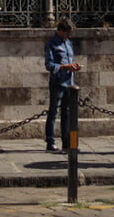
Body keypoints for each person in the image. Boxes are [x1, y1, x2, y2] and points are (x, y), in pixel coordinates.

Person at [44, 18, 80, 152]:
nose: (69, 36)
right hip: (58, 82)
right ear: (60, 31)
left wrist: (74, 66)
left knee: (67, 113)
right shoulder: (51, 44)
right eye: (67, 33)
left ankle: (67, 142)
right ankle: (50, 141)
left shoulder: (68, 43)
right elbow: (49, 65)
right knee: (53, 111)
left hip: (69, 82)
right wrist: (65, 67)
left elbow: (70, 59)